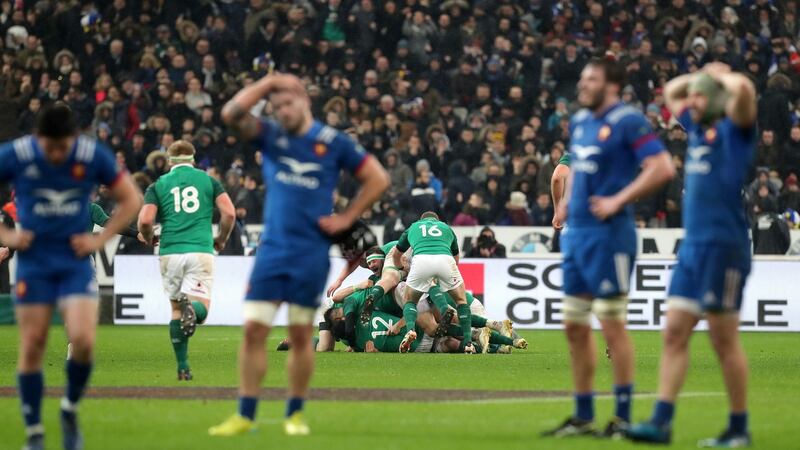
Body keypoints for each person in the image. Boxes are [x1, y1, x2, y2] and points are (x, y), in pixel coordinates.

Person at [208, 74, 389, 437]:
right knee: (254, 331)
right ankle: (245, 414)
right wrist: (270, 81)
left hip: (310, 255)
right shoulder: (272, 136)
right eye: (276, 107)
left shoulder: (332, 141)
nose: (282, 110)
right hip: (271, 253)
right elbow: (230, 113)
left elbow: (378, 178)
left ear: (305, 101)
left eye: (287, 103)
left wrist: (348, 217)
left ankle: (294, 414)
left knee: (301, 335)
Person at [627, 63, 757, 447]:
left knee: (723, 340)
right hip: (694, 250)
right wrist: (702, 75)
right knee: (674, 332)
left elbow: (746, 92)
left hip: (725, 248)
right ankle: (661, 423)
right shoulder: (698, 129)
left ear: (717, 98)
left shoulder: (736, 131)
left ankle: (738, 428)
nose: (692, 100)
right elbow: (671, 91)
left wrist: (721, 79)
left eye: (701, 95)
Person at [544, 59, 675, 439]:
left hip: (610, 236)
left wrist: (619, 200)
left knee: (612, 325)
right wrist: (566, 205)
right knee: (573, 326)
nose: (583, 84)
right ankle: (584, 417)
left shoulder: (628, 121)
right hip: (578, 235)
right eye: (582, 77)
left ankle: (621, 417)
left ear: (613, 84)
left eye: (592, 78)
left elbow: (661, 166)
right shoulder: (582, 123)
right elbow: (575, 172)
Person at [0, 103, 141, 450]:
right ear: (38, 138)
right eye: (50, 147)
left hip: (75, 262)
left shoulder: (92, 154)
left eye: (63, 147)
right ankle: (34, 431)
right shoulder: (17, 154)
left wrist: (99, 239)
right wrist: (7, 237)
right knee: (32, 344)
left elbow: (131, 199)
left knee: (83, 340)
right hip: (34, 264)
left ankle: (69, 408)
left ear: (73, 138)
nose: (57, 154)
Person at [137, 140, 236, 381]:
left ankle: (183, 366)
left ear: (169, 161)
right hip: (200, 249)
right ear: (193, 159)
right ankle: (193, 309)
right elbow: (229, 213)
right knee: (199, 309)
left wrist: (150, 238)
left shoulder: (158, 184)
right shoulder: (209, 180)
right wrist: (221, 238)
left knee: (175, 309)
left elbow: (146, 221)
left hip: (169, 251)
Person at [390, 211, 474, 353]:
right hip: (445, 259)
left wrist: (400, 267)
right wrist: (445, 277)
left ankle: (410, 330)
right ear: (437, 220)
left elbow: (396, 253)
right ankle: (468, 343)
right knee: (461, 301)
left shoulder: (413, 227)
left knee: (409, 300)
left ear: (421, 220)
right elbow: (456, 258)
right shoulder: (446, 228)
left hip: (421, 260)